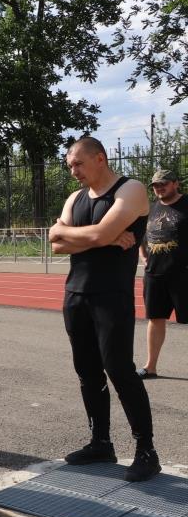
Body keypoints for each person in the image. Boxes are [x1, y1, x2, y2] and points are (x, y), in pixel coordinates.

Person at [48, 136, 160, 482]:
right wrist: (104, 236)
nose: (73, 171)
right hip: (75, 294)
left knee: (120, 369)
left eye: (78, 164)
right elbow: (54, 241)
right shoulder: (75, 198)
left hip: (111, 296)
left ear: (100, 158)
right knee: (87, 371)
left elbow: (85, 235)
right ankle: (101, 442)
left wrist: (92, 235)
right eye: (69, 165)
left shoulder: (132, 190)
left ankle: (146, 451)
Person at [137, 169, 188, 379]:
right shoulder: (151, 208)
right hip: (155, 274)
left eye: (163, 184)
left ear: (176, 183)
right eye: (156, 185)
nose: (159, 188)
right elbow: (142, 235)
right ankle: (150, 367)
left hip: (183, 274)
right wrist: (143, 255)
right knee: (155, 318)